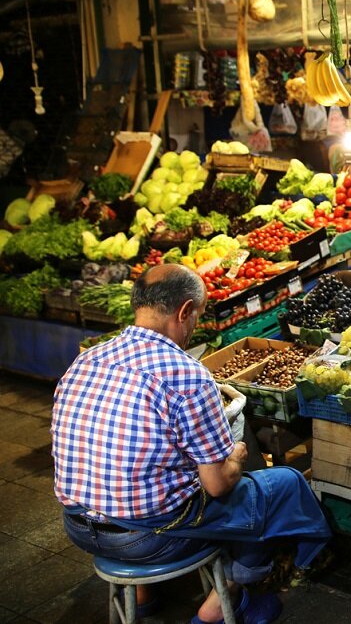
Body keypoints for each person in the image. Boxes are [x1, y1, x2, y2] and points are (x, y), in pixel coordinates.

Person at [52, 264, 331, 624]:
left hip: (79, 527)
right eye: (196, 316)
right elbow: (216, 484)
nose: (194, 326)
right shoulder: (186, 374)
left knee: (144, 483)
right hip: (147, 538)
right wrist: (235, 456)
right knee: (277, 487)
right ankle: (221, 602)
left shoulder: (86, 360)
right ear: (185, 311)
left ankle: (142, 592)